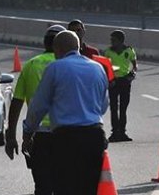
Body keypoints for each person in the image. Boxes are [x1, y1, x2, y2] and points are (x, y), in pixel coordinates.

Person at [23, 30, 109, 195]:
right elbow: (103, 106)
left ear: (58, 49)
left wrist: (28, 132)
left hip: (66, 138)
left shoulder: (55, 68)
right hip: (95, 136)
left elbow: (38, 106)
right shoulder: (98, 68)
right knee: (90, 188)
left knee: (65, 187)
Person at [4, 24, 65, 195]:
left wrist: (11, 136)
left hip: (39, 136)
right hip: (67, 134)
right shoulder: (69, 64)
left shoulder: (31, 65)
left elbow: (17, 102)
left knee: (43, 186)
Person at [105, 30, 137, 142]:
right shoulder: (108, 52)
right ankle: (114, 132)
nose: (112, 42)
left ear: (120, 41)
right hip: (113, 81)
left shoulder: (129, 51)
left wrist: (131, 76)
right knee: (114, 108)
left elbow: (134, 65)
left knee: (123, 108)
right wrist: (110, 79)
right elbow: (106, 67)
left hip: (124, 81)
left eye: (114, 40)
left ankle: (122, 132)